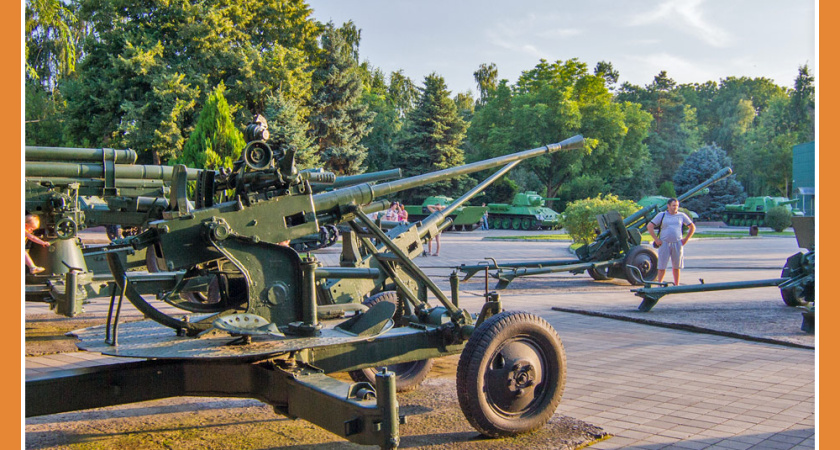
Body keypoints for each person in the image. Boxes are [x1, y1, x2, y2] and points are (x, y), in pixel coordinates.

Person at [646, 198, 696, 286]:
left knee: (676, 266)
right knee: (661, 266)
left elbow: (692, 227)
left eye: (677, 206)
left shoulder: (681, 215)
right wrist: (656, 240)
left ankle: (676, 285)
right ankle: (659, 284)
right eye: (673, 205)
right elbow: (650, 226)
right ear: (668, 206)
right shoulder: (662, 215)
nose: (675, 207)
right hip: (664, 243)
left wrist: (685, 239)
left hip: (677, 243)